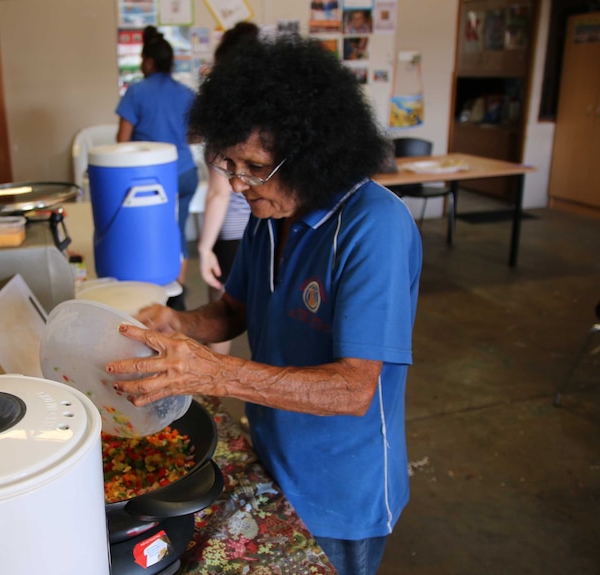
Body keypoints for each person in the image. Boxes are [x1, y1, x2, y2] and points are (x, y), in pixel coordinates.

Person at [106, 35, 423, 575]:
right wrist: (178, 323)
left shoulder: (375, 228)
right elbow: (235, 310)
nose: (235, 185)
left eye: (251, 166)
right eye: (227, 164)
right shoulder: (269, 215)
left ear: (311, 152)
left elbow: (354, 389)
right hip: (273, 458)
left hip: (340, 492)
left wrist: (213, 374)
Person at [116, 26, 198, 309]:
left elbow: (121, 141)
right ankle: (177, 299)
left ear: (148, 62)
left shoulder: (136, 91)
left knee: (146, 234)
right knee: (178, 230)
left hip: (150, 180)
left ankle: (151, 304)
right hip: (186, 173)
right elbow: (192, 136)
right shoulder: (186, 93)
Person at [197, 22, 258, 355]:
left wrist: (205, 247)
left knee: (221, 320)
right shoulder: (274, 112)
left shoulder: (228, 121)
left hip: (233, 233)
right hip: (269, 229)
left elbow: (220, 192)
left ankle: (213, 400)